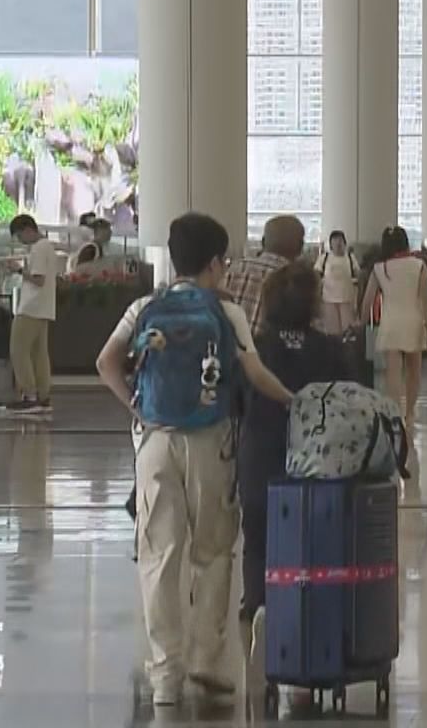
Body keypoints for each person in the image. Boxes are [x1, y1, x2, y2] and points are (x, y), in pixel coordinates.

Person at [95, 212, 299, 707]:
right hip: (210, 441)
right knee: (212, 553)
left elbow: (106, 364)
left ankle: (166, 675)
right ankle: (208, 664)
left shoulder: (145, 306)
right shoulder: (225, 312)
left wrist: (138, 406)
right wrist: (295, 400)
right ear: (214, 262)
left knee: (159, 557)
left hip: (155, 442)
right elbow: (252, 372)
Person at [238, 265, 346, 691]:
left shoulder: (254, 348)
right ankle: (308, 611)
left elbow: (238, 401)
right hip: (316, 458)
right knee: (315, 539)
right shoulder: (331, 349)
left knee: (258, 536)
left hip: (261, 452)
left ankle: (259, 608)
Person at [363, 227, 427, 435]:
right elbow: (426, 301)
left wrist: (360, 322)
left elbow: (367, 300)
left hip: (390, 322)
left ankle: (394, 414)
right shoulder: (419, 266)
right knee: (414, 371)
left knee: (393, 373)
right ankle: (409, 414)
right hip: (414, 320)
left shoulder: (379, 268)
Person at [8, 214, 60, 414]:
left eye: (20, 236)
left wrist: (19, 270)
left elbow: (38, 279)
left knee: (18, 349)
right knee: (39, 354)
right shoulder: (47, 247)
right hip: (44, 308)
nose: (21, 241)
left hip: (31, 307)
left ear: (28, 230)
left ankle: (29, 395)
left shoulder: (39, 248)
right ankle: (43, 396)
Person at [225, 215, 305, 335]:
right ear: (300, 247)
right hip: (270, 352)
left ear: (263, 242)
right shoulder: (300, 283)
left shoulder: (233, 270)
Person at [318, 230, 360, 337]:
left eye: (340, 240)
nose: (338, 243)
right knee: (332, 331)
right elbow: (317, 274)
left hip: (346, 299)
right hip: (328, 299)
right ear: (331, 244)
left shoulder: (350, 257)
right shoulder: (324, 258)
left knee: (348, 329)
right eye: (335, 241)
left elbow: (358, 274)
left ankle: (347, 350)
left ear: (344, 242)